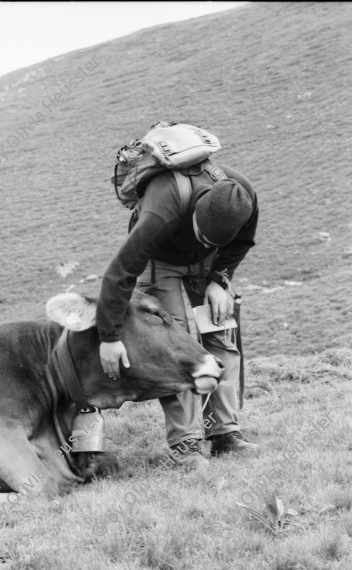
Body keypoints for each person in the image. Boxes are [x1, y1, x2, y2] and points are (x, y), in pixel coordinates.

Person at [96, 144, 259, 470]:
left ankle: (224, 433)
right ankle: (186, 442)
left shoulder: (244, 199)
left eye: (215, 242)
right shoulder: (163, 209)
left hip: (207, 268)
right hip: (161, 262)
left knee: (221, 334)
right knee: (174, 345)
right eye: (204, 236)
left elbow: (241, 243)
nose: (206, 244)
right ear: (194, 215)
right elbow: (120, 272)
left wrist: (220, 277)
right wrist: (109, 337)